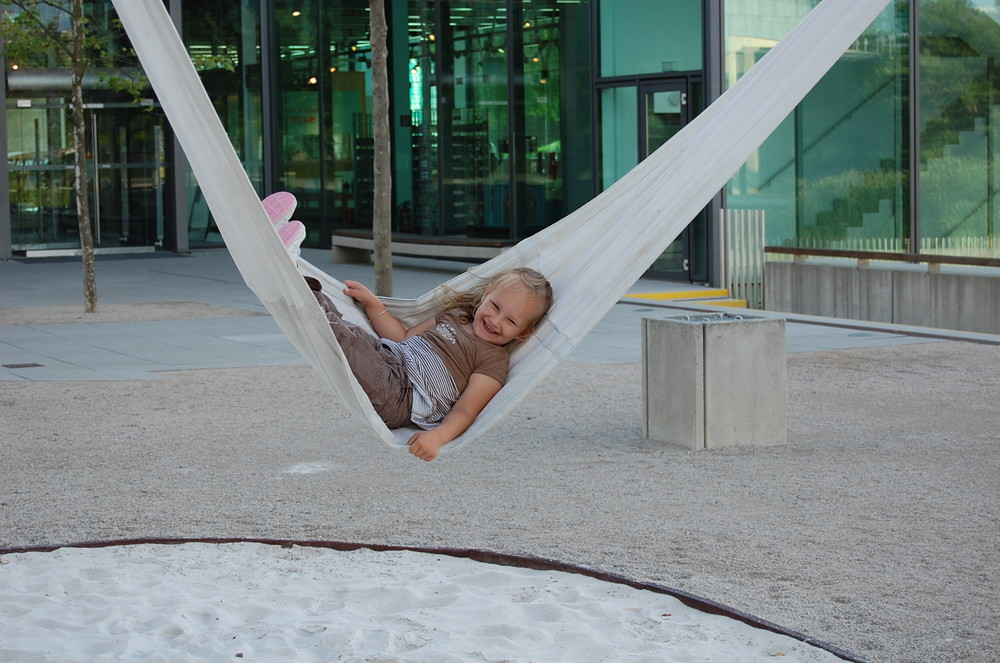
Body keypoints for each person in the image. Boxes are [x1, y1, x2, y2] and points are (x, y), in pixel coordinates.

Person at [305, 268, 553, 462]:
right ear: (486, 294)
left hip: (401, 396)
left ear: (523, 332)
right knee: (351, 332)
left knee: (343, 339)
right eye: (495, 306)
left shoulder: (494, 360)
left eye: (510, 321)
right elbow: (402, 339)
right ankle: (294, 276)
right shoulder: (455, 315)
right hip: (389, 356)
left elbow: (465, 411)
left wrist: (438, 436)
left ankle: (302, 290)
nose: (495, 320)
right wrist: (374, 306)